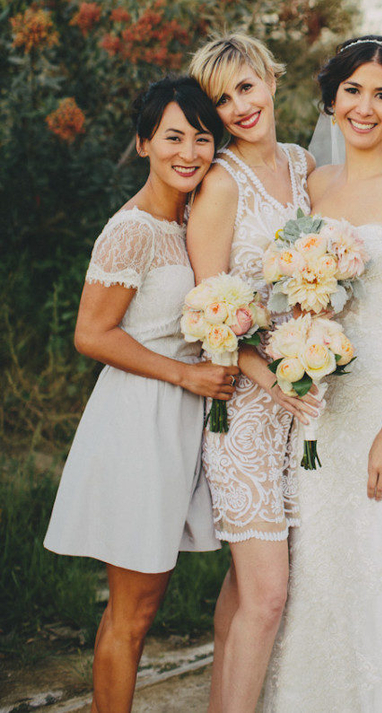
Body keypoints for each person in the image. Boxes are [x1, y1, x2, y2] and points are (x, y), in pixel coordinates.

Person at [264, 35, 382, 713]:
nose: (364, 107)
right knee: (320, 571)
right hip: (322, 407)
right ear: (331, 98)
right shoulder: (314, 184)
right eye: (353, 91)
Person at [44, 76, 234, 713]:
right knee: (133, 609)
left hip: (180, 417)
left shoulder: (190, 221)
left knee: (147, 602)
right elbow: (90, 334)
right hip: (139, 417)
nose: (188, 151)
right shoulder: (132, 230)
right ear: (144, 141)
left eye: (202, 137)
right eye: (173, 136)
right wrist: (185, 375)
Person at [187, 33, 318, 713]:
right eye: (221, 98)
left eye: (246, 86)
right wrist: (273, 381)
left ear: (270, 78)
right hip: (243, 408)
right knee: (268, 594)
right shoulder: (219, 184)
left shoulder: (305, 165)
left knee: (245, 591)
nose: (240, 106)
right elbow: (208, 312)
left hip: (302, 407)